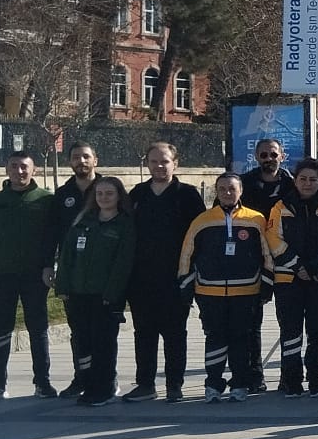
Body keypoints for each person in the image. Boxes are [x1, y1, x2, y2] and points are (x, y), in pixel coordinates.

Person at [178, 172, 273, 401]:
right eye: (222, 189)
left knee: (241, 339)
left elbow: (267, 254)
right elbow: (187, 254)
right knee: (215, 338)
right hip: (209, 291)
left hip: (246, 291)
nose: (227, 193)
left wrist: (267, 284)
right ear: (216, 192)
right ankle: (213, 384)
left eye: (232, 188)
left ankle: (240, 384)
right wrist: (186, 286)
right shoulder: (202, 220)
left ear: (241, 191)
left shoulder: (256, 219)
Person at [123, 142, 205, 403]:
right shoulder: (137, 194)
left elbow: (200, 236)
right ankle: (145, 384)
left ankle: (174, 385)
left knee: (174, 334)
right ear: (146, 163)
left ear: (175, 163)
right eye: (154, 161)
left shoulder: (188, 195)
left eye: (165, 161)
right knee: (143, 334)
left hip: (176, 279)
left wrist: (192, 275)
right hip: (141, 279)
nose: (159, 166)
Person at [0, 151, 56, 401]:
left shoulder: (46, 200)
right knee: (0, 328)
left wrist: (49, 266)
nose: (19, 171)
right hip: (2, 275)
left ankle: (43, 382)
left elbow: (53, 238)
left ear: (34, 170)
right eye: (14, 166)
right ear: (7, 169)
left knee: (38, 328)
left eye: (24, 167)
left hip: (35, 275)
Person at [55, 176, 135, 407]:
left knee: (103, 343)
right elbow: (67, 256)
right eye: (99, 193)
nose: (104, 198)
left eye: (109, 193)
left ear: (119, 196)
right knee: (82, 341)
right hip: (78, 293)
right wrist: (63, 286)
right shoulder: (83, 222)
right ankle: (87, 384)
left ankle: (105, 388)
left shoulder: (124, 225)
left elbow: (123, 262)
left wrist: (112, 294)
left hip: (105, 296)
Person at [267, 159, 318, 398]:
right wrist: (298, 266)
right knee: (291, 333)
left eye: (313, 179)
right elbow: (273, 239)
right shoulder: (280, 207)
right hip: (289, 281)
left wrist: (313, 266)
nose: (307, 184)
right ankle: (292, 381)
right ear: (295, 180)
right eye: (303, 179)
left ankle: (315, 380)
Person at [40, 142, 100, 275]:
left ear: (95, 161)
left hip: (101, 262)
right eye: (76, 157)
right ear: (70, 162)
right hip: (70, 263)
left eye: (86, 156)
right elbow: (52, 231)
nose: (81, 161)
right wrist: (48, 265)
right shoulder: (62, 194)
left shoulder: (108, 191)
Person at [239, 138, 295, 216]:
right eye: (264, 155)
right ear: (256, 157)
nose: (269, 159)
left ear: (282, 157)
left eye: (274, 155)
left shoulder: (293, 183)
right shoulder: (243, 183)